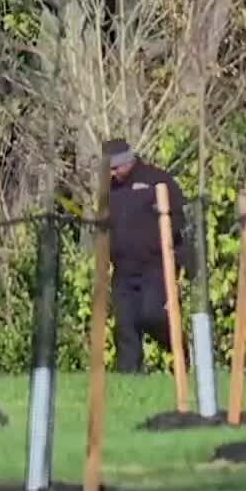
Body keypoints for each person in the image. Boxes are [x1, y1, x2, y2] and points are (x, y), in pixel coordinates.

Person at [104, 138, 191, 374]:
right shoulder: (110, 190)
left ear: (127, 162)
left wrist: (182, 258)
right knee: (125, 324)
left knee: (152, 314)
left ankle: (180, 351)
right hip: (123, 268)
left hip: (155, 266)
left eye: (115, 168)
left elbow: (181, 221)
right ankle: (128, 376)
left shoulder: (157, 180)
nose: (112, 174)